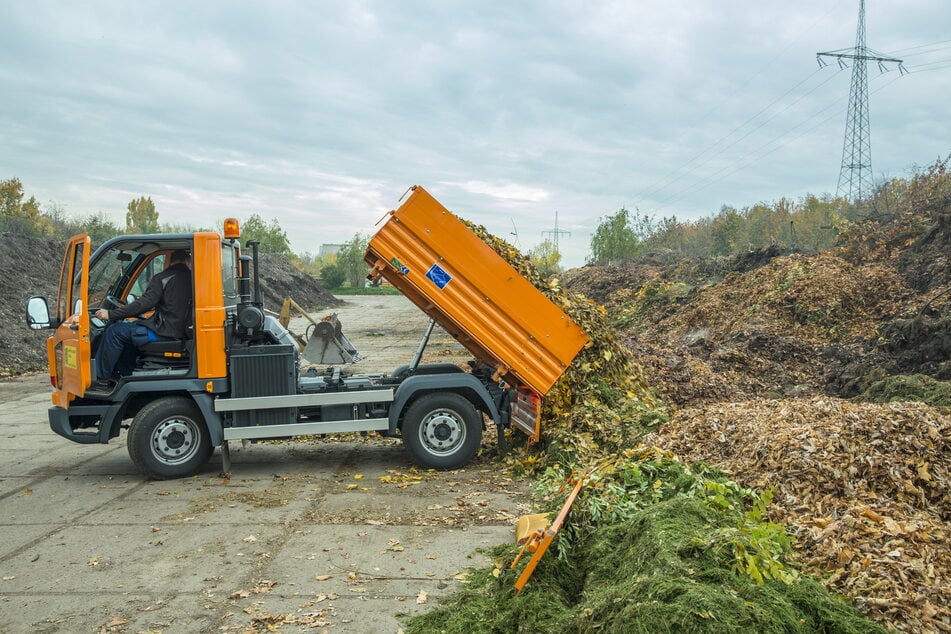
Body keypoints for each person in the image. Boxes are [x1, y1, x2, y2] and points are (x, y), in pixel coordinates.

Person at [90, 249, 193, 391]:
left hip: (164, 333)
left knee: (114, 331)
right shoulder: (195, 279)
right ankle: (125, 374)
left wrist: (112, 314)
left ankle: (101, 381)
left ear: (170, 261)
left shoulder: (163, 278)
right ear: (188, 261)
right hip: (183, 332)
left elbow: (144, 304)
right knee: (130, 332)